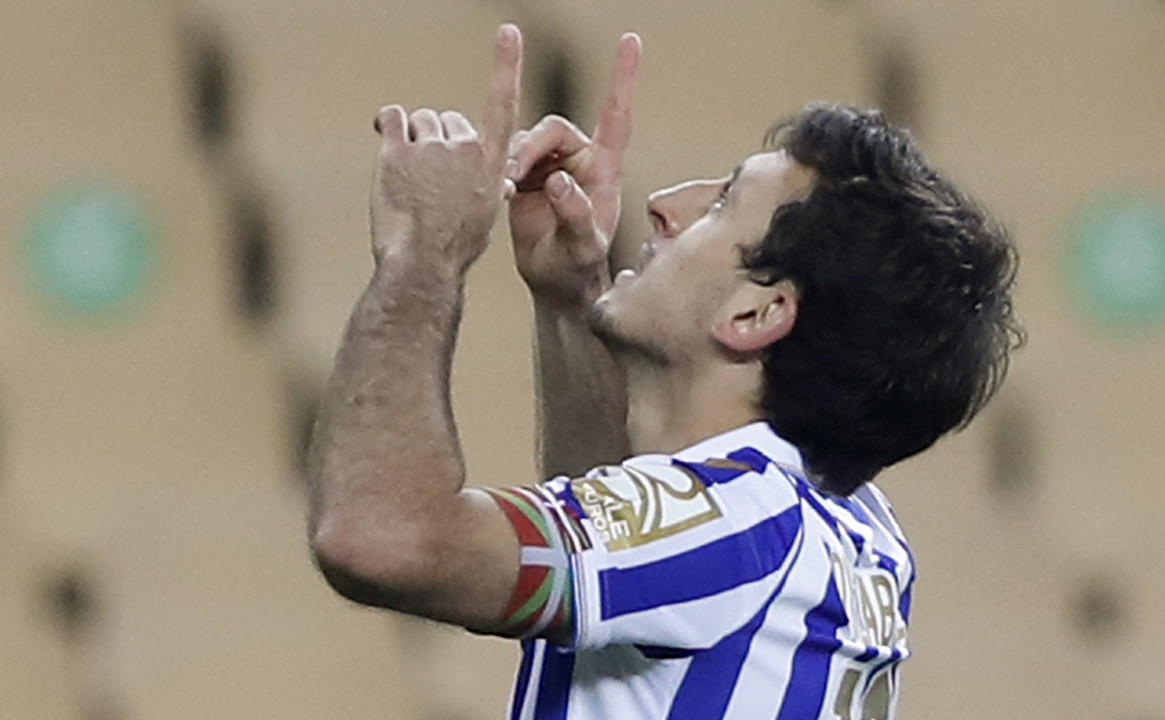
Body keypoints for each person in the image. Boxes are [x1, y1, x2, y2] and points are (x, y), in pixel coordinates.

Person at [307, 23, 1021, 720]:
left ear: (755, 315)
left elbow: (378, 537)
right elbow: (622, 531)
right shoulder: (850, 521)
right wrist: (569, 298)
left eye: (719, 205)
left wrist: (423, 253)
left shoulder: (738, 523)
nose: (662, 206)